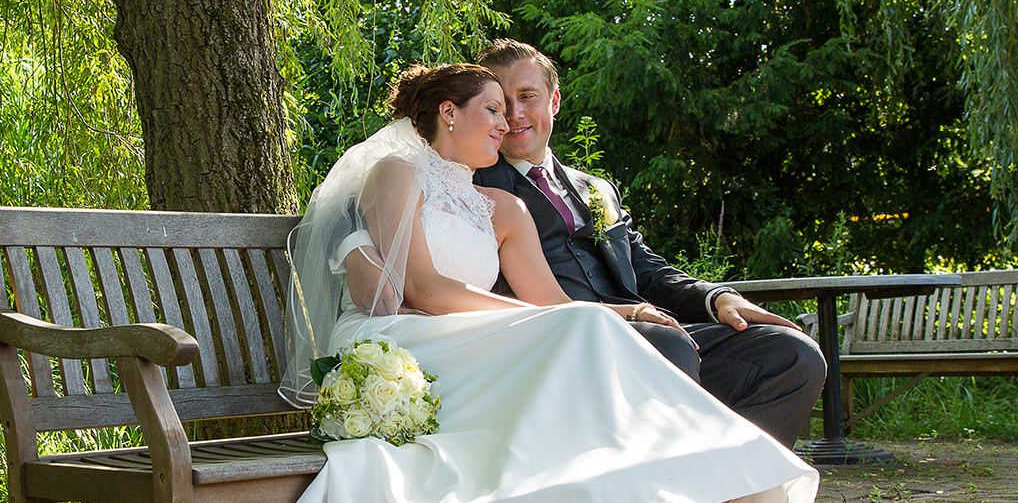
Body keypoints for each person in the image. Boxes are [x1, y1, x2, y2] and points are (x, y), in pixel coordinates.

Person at [283, 63, 817, 503]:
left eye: (519, 102)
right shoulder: (398, 173)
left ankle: (713, 479)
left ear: (553, 100)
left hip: (505, 329)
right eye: (493, 108)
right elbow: (419, 289)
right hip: (416, 333)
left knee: (788, 352)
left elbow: (555, 300)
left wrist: (638, 309)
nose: (506, 120)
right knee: (608, 335)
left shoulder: (503, 206)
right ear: (449, 113)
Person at [470, 39, 825, 447]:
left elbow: (644, 266)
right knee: (666, 345)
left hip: (651, 332)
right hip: (558, 345)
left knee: (794, 354)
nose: (515, 113)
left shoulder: (595, 188)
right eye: (501, 101)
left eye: (527, 97)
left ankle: (728, 484)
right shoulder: (474, 186)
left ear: (553, 102)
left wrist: (717, 298)